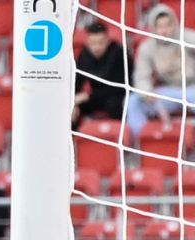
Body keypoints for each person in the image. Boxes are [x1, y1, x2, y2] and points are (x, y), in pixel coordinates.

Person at [128, 5, 190, 141]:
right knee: (133, 101)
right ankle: (145, 141)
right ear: (153, 28)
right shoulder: (147, 47)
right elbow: (141, 76)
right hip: (170, 92)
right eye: (160, 26)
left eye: (168, 25)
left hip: (192, 89)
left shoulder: (187, 37)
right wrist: (146, 92)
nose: (165, 30)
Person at [76, 18, 130, 126]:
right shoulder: (84, 55)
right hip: (94, 97)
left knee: (114, 105)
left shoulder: (120, 53)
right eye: (92, 43)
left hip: (116, 96)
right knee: (71, 108)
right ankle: (72, 140)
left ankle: (118, 137)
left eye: (100, 43)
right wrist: (74, 102)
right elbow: (77, 81)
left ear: (107, 40)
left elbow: (120, 87)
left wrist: (88, 96)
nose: (96, 47)